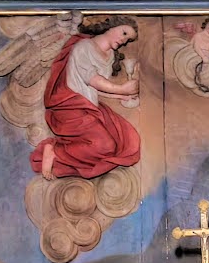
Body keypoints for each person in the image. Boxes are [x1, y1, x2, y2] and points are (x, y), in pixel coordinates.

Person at [31, 15, 142, 180]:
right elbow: (92, 79)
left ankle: (60, 154)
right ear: (111, 26)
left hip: (88, 107)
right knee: (105, 145)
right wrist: (121, 88)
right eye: (124, 33)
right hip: (70, 107)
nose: (124, 40)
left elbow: (95, 88)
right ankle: (55, 150)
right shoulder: (84, 47)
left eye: (128, 39)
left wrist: (120, 94)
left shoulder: (110, 56)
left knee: (124, 140)